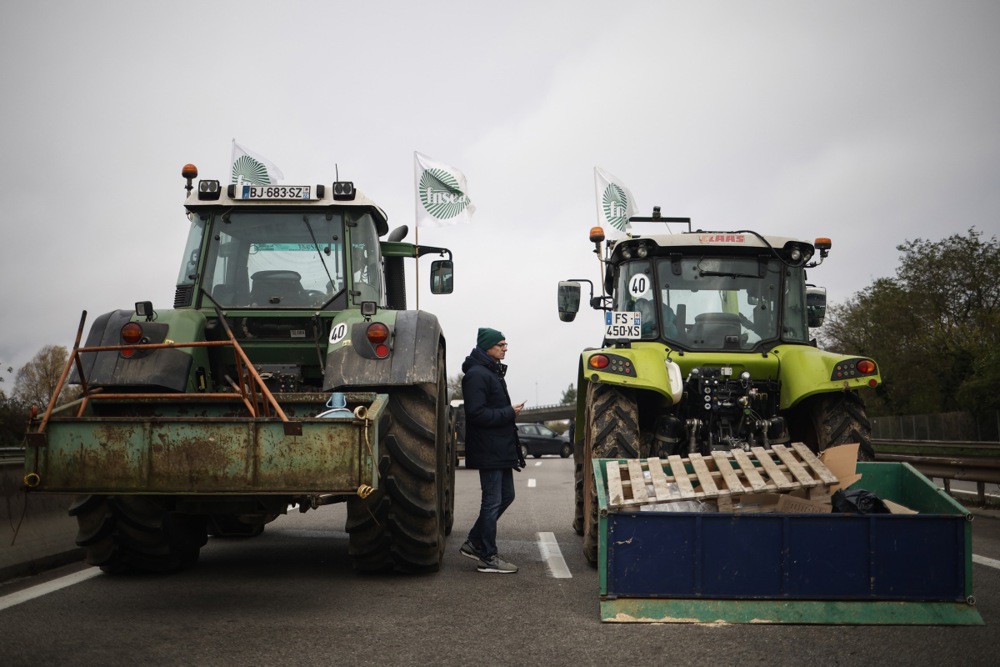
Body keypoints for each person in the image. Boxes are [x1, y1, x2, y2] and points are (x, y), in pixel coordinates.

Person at [459, 327, 526, 574]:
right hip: (489, 450)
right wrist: (509, 412)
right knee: (491, 501)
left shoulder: (491, 372)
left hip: (499, 449)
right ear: (487, 347)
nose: (505, 348)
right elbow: (475, 414)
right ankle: (488, 556)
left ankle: (474, 542)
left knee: (506, 496)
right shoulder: (476, 375)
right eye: (501, 344)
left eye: (505, 344)